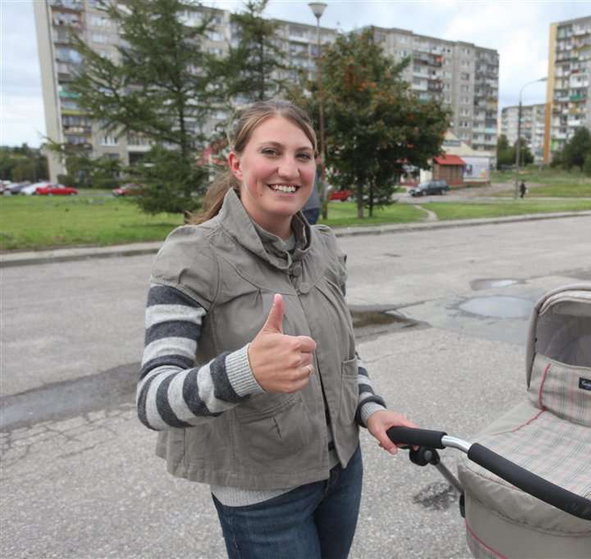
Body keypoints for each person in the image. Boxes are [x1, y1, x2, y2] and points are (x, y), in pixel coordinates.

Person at [137, 100, 415, 558]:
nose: (289, 168)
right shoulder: (193, 255)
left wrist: (370, 409)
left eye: (303, 156)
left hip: (341, 473)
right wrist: (245, 369)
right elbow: (152, 400)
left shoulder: (324, 249)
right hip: (262, 496)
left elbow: (340, 357)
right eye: (271, 151)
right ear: (237, 163)